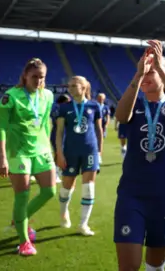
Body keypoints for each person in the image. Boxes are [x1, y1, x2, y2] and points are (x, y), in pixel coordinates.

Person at [114, 40, 165, 271]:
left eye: (154, 69)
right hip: (132, 194)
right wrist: (139, 75)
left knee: (155, 267)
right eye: (146, 68)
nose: (149, 72)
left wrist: (162, 68)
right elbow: (120, 116)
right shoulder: (134, 104)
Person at [0, 58, 57, 256]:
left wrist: (50, 149)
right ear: (25, 76)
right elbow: (1, 127)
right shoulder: (10, 96)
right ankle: (24, 242)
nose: (38, 81)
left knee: (49, 192)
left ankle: (20, 219)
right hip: (18, 152)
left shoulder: (48, 95)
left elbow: (45, 123)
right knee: (22, 196)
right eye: (34, 77)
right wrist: (1, 157)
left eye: (42, 77)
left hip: (41, 150)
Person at [55, 76, 103, 236]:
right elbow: (59, 132)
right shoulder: (64, 107)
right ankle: (63, 212)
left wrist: (99, 152)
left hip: (90, 150)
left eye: (74, 85)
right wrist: (59, 153)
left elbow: (99, 130)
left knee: (89, 186)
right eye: (69, 86)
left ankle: (83, 224)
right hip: (70, 152)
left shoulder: (95, 106)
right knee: (67, 185)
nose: (71, 88)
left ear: (84, 87)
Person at [51, 93, 71, 183]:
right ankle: (55, 174)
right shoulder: (61, 110)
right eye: (67, 101)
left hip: (59, 132)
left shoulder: (55, 108)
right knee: (58, 153)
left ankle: (58, 172)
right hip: (59, 133)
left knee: (60, 153)